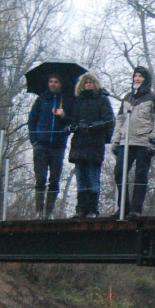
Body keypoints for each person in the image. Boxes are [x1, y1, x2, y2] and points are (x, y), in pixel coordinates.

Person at [112, 66, 155, 218]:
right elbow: (120, 120)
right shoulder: (128, 97)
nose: (137, 79)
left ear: (146, 79)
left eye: (140, 76)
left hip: (143, 141)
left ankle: (136, 209)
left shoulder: (153, 98)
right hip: (125, 141)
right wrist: (115, 140)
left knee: (141, 175)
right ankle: (123, 207)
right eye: (135, 76)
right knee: (119, 172)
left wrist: (154, 140)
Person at [63, 72, 114, 219]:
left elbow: (108, 120)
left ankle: (93, 209)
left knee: (92, 176)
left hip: (95, 144)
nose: (88, 84)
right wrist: (72, 125)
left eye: (91, 82)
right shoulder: (77, 101)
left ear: (95, 83)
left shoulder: (102, 100)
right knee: (80, 178)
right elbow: (72, 120)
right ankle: (81, 209)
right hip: (79, 144)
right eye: (85, 82)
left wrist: (91, 126)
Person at [27, 74, 71, 219]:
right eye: (51, 81)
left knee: (54, 180)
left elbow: (72, 122)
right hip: (41, 144)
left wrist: (64, 115)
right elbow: (32, 120)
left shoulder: (66, 101)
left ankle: (49, 212)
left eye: (56, 82)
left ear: (61, 84)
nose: (53, 84)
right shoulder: (41, 100)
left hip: (58, 146)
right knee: (40, 178)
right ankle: (39, 211)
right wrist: (34, 139)